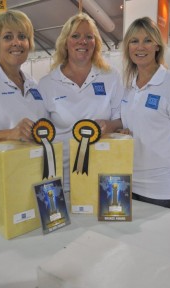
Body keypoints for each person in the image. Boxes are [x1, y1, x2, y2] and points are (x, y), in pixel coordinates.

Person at [38, 12, 124, 191]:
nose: (82, 41)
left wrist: (109, 125)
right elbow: (40, 131)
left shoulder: (111, 76)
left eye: (88, 37)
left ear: (96, 43)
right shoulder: (47, 83)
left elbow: (121, 119)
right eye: (75, 36)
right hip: (61, 177)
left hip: (103, 174)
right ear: (65, 42)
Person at [0, 10, 46, 230]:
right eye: (8, 37)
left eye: (22, 36)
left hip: (29, 184)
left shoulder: (34, 84)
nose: (16, 43)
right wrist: (10, 133)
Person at [120, 16, 170, 208]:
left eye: (147, 40)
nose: (140, 47)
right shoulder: (128, 87)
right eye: (134, 41)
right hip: (130, 184)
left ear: (157, 46)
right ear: (128, 47)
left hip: (164, 189)